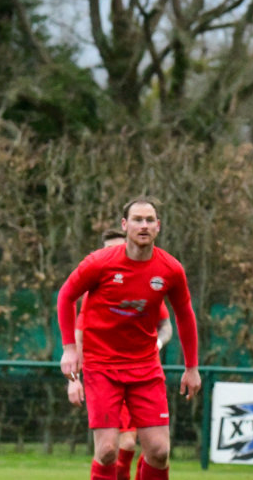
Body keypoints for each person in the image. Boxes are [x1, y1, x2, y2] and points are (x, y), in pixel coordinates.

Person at [58, 197, 201, 480]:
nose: (143, 225)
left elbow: (184, 316)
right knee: (108, 450)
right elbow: (66, 296)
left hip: (145, 367)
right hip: (102, 366)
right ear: (125, 225)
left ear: (158, 226)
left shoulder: (170, 269)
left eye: (149, 220)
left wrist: (191, 367)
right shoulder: (99, 263)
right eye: (137, 219)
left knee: (159, 451)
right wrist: (69, 349)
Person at [66, 228, 175, 480]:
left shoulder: (147, 284)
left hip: (141, 373)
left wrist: (157, 344)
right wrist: (73, 379)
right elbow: (79, 335)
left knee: (153, 448)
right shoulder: (94, 290)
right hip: (105, 373)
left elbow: (166, 325)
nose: (115, 254)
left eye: (119, 248)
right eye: (109, 250)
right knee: (112, 448)